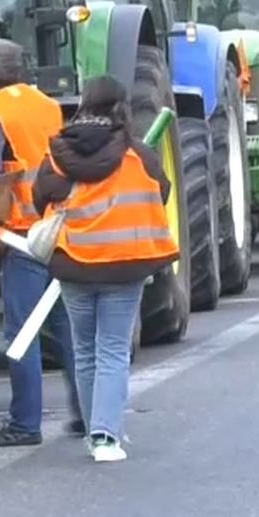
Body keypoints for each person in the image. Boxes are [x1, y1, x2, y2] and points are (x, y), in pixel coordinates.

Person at [31, 75, 176, 462]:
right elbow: (161, 190)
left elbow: (39, 196)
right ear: (121, 107)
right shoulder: (138, 154)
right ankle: (105, 435)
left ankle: (96, 431)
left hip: (74, 264)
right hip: (124, 267)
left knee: (85, 349)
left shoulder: (58, 152)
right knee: (112, 349)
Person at [0, 36, 81, 448]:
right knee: (63, 325)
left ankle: (25, 423)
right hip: (58, 226)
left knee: (21, 333)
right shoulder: (44, 103)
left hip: (25, 235)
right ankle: (88, 411)